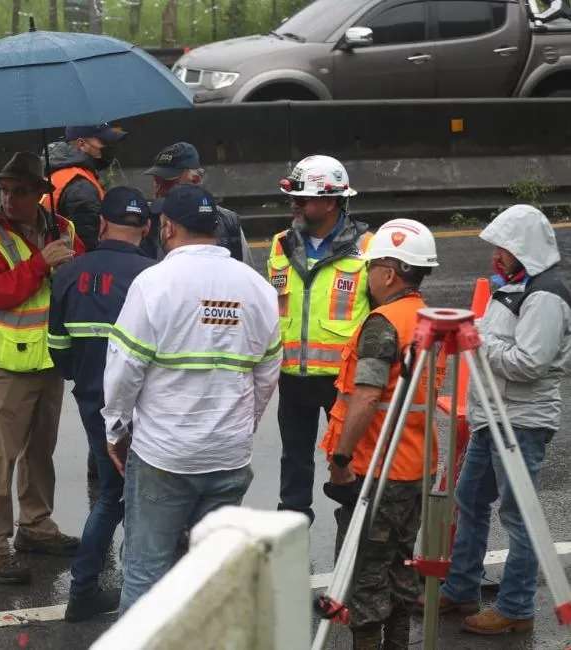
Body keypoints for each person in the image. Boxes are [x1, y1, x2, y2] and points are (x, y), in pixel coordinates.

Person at [102, 184, 281, 613]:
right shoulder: (256, 288)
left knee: (147, 571)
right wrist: (242, 426)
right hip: (229, 456)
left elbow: (124, 370)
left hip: (165, 456)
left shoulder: (155, 283)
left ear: (167, 228)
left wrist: (116, 428)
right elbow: (266, 374)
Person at [437, 205, 571, 635]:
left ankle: (515, 607)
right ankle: (461, 587)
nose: (496, 256)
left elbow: (529, 362)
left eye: (504, 249)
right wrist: (485, 336)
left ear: (523, 249)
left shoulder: (545, 294)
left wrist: (478, 339)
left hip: (521, 421)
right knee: (470, 499)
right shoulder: (515, 285)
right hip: (492, 417)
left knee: (519, 515)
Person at [0, 151, 85, 584]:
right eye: (5, 190)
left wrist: (68, 267)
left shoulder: (63, 230)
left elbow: (79, 283)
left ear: (40, 194)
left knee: (40, 450)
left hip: (50, 357)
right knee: (1, 457)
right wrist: (41, 264)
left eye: (19, 191)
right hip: (6, 364)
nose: (8, 198)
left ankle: (36, 526)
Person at [319, 219, 439, 650]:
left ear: (389, 272)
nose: (367, 276)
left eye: (371, 268)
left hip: (377, 467)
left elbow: (366, 397)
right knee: (403, 567)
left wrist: (341, 460)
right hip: (415, 465)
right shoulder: (427, 317)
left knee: (367, 575)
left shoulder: (383, 322)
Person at [47, 186, 156, 622]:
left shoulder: (70, 273)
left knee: (110, 494)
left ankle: (84, 590)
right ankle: (136, 587)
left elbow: (58, 348)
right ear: (146, 227)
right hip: (142, 404)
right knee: (138, 495)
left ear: (101, 225)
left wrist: (83, 379)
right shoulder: (151, 275)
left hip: (92, 399)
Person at [269, 155, 372, 524]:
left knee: (350, 459)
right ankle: (291, 530)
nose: (294, 205)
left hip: (343, 381)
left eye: (302, 199)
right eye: (293, 198)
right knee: (293, 460)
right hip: (292, 376)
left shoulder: (367, 248)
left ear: (331, 201)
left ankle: (356, 529)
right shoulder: (281, 244)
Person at [142, 141, 251, 263]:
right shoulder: (143, 219)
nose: (158, 189)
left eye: (167, 182)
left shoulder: (227, 222)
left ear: (195, 180)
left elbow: (245, 271)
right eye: (156, 181)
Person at [42, 123, 127, 250]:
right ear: (81, 143)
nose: (110, 147)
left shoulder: (59, 171)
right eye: (104, 141)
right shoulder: (81, 186)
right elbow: (87, 245)